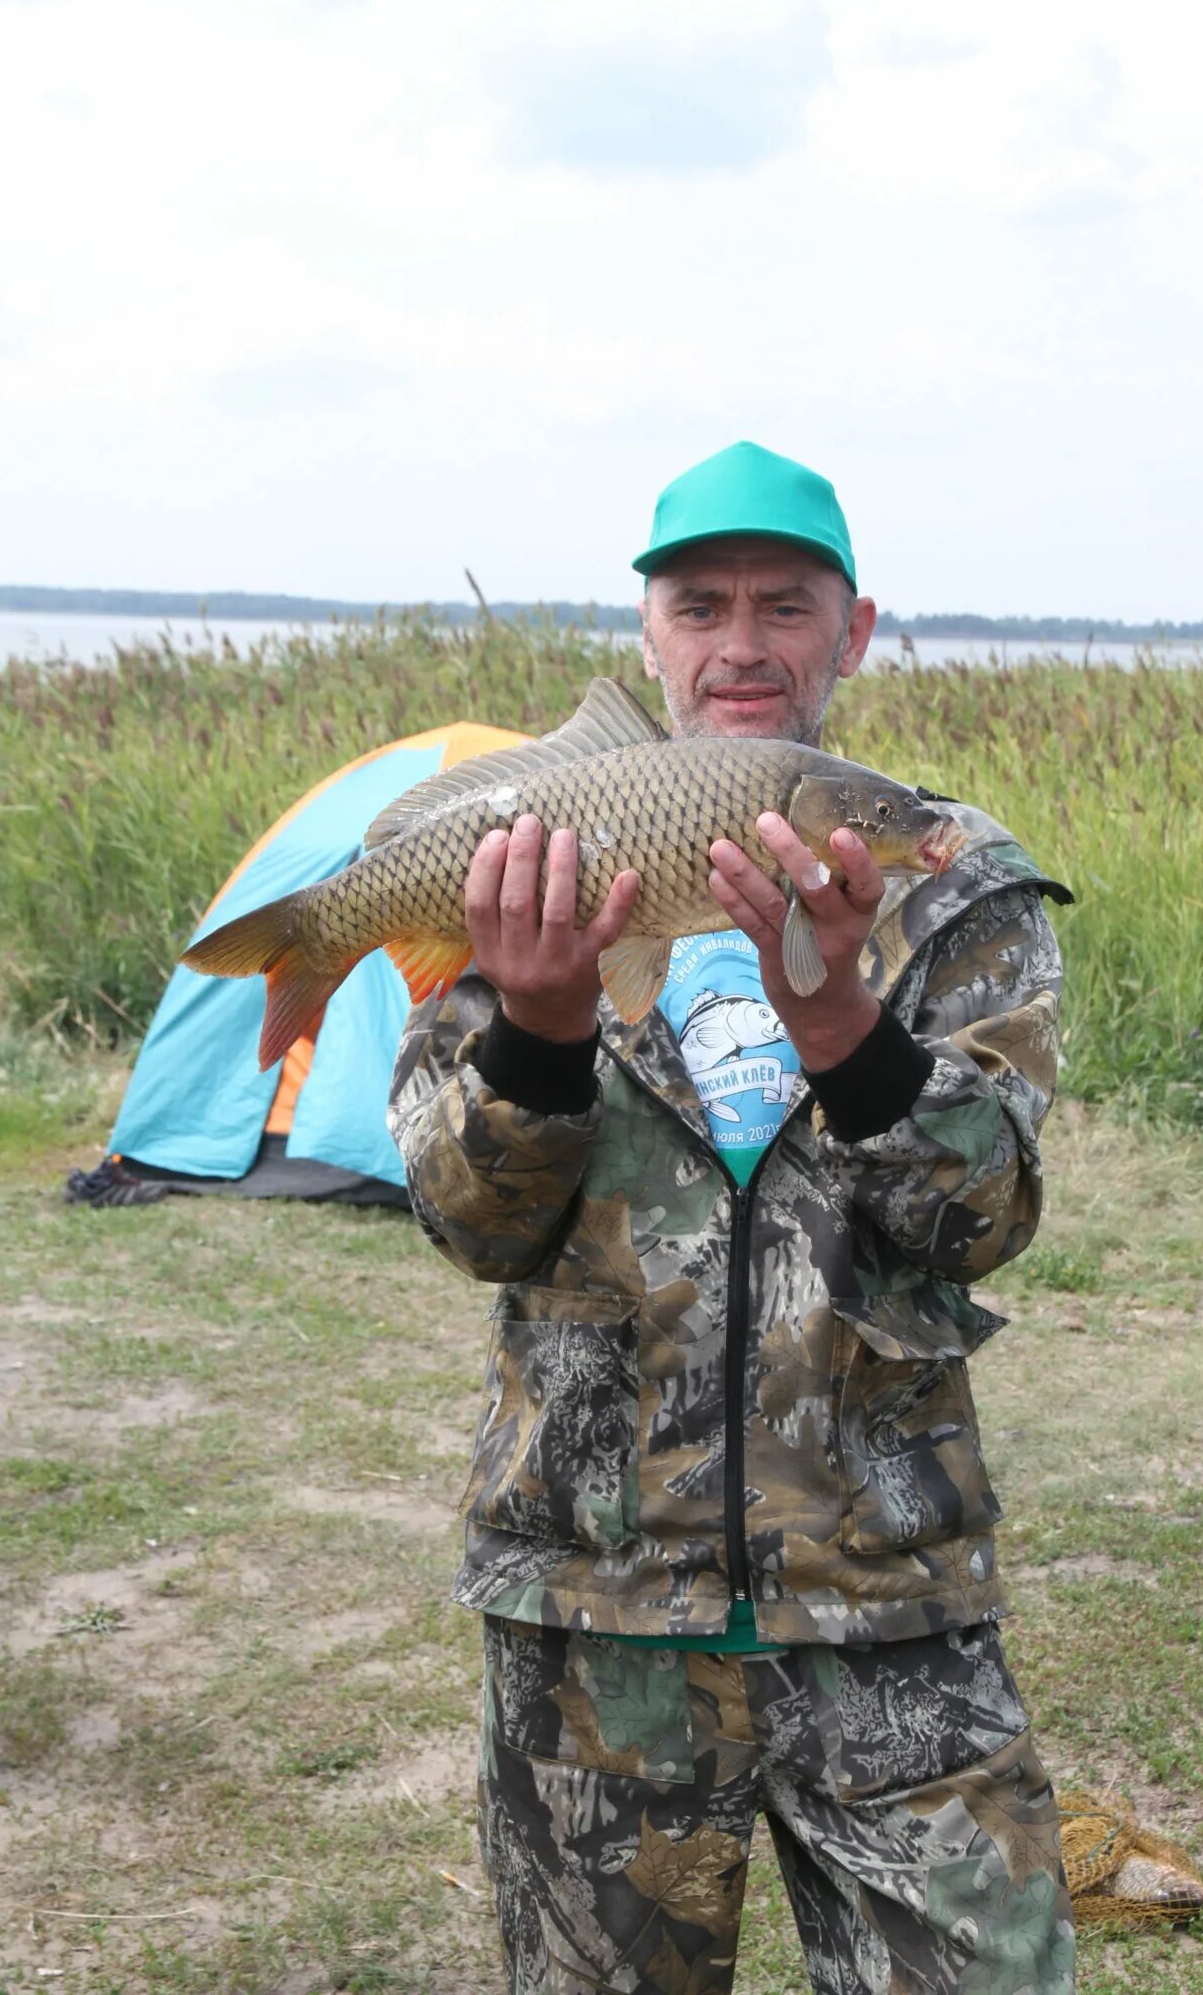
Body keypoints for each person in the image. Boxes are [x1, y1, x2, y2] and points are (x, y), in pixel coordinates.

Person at [389, 441, 1077, 1994]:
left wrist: (841, 1028)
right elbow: (466, 1220)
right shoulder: (527, 858)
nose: (744, 642)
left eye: (786, 603)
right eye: (701, 605)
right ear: (650, 636)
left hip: (891, 1597)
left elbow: (984, 1216)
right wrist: (540, 1029)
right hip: (593, 1602)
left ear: (858, 628)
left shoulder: (952, 885)